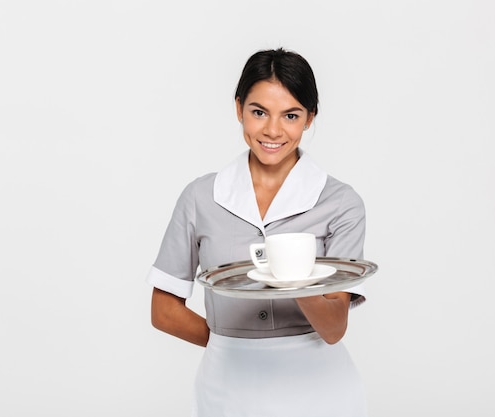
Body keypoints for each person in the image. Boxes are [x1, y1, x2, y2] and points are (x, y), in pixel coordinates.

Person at [147, 47, 369, 417]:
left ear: (310, 118)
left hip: (318, 387)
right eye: (259, 112)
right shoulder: (201, 197)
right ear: (239, 109)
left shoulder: (341, 203)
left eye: (291, 115)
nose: (273, 130)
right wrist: (230, 346)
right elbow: (163, 310)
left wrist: (294, 281)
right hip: (227, 388)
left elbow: (333, 329)